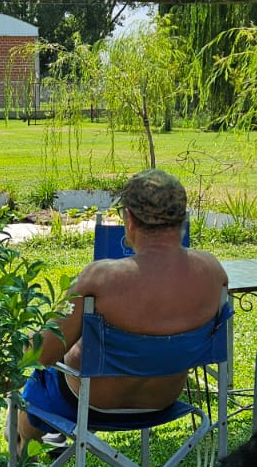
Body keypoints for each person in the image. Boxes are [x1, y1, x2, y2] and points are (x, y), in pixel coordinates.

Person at [15, 168, 229, 448]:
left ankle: (18, 449)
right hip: (163, 402)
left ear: (129, 220)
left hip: (89, 403)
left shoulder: (101, 279)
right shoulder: (213, 273)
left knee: (38, 384)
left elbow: (41, 354)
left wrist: (16, 347)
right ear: (183, 219)